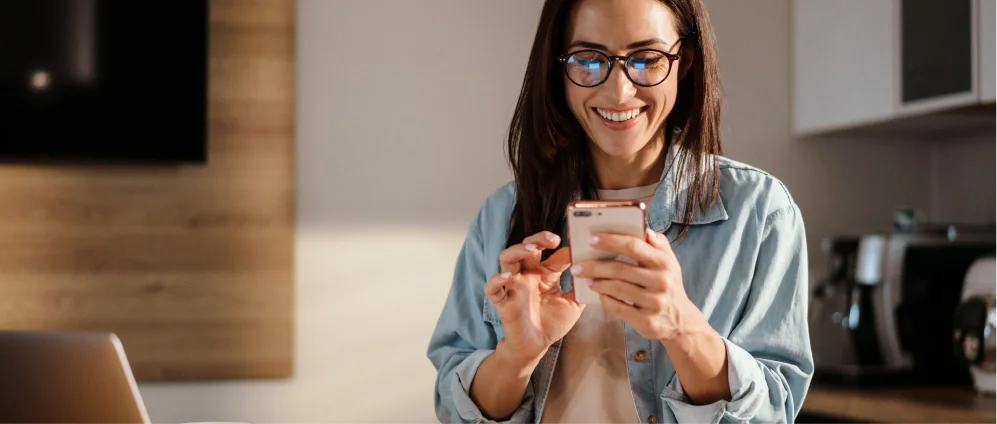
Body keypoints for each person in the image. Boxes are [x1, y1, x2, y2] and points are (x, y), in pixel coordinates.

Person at [427, 0, 813, 422]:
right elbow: (453, 410)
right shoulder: (501, 215)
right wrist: (516, 356)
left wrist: (683, 328)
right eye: (589, 60)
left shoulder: (760, 212)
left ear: (683, 61)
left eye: (646, 59)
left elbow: (774, 413)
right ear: (559, 67)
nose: (618, 91)